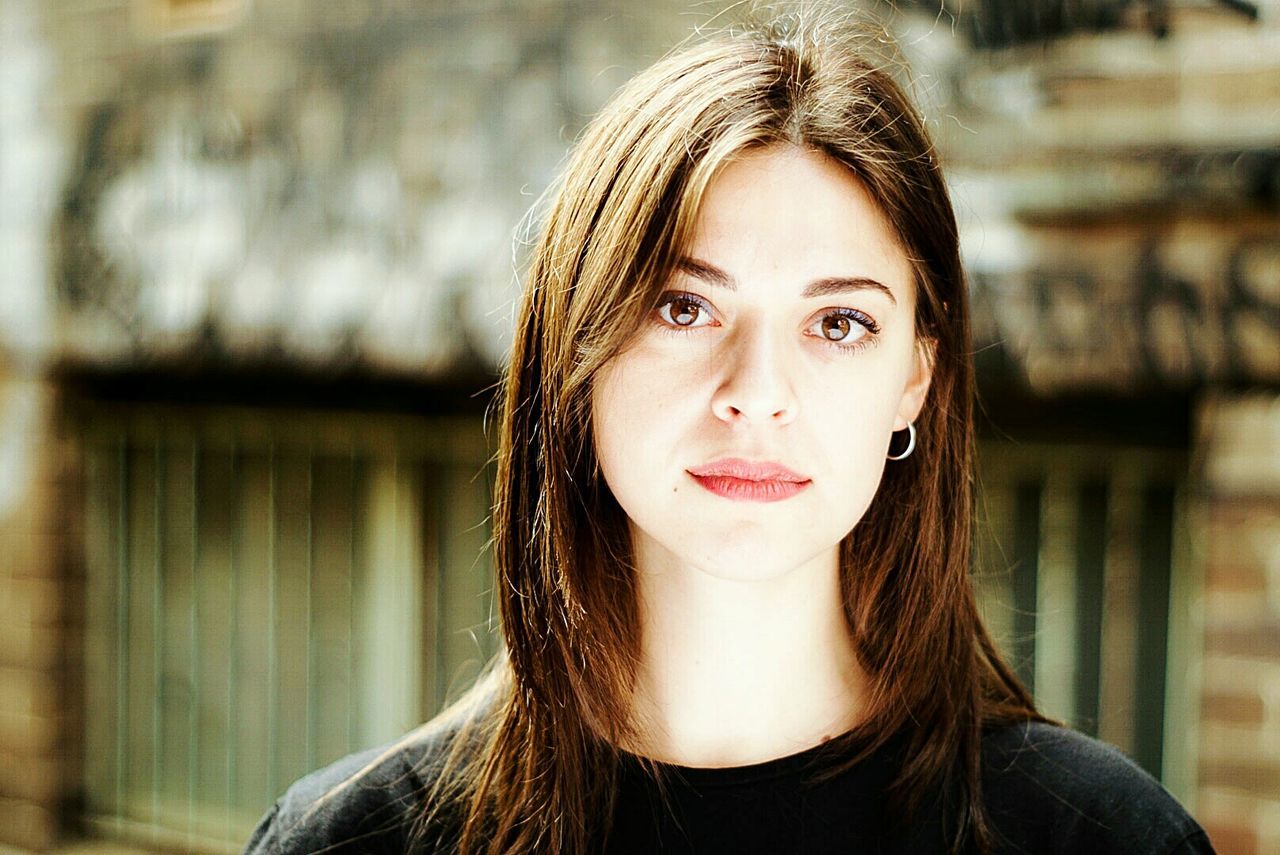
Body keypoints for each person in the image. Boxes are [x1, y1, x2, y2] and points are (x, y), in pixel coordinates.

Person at [245, 6, 1214, 854]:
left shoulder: (1099, 837)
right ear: (574, 352)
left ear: (912, 379)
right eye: (683, 308)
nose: (755, 393)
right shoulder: (350, 840)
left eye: (838, 324)